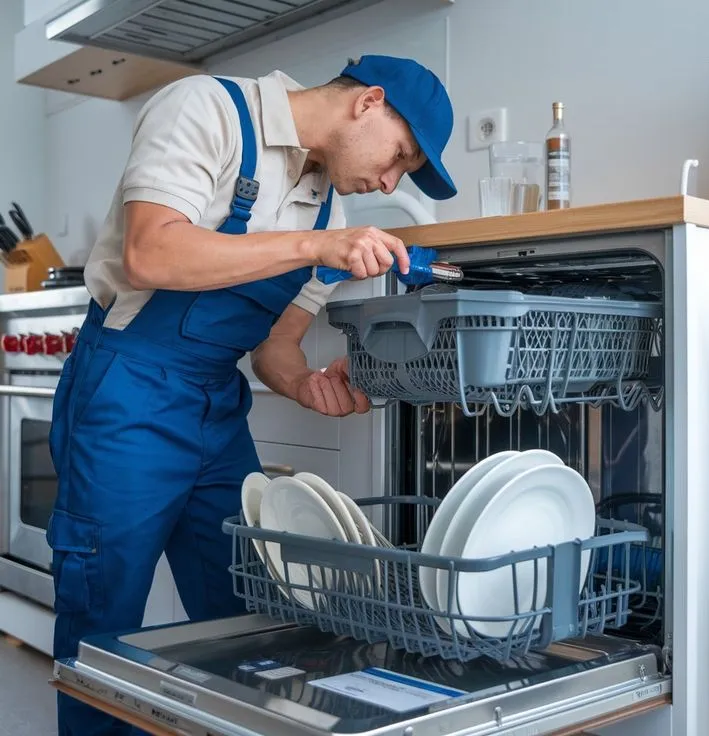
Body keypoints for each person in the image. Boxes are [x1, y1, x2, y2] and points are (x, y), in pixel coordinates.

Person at [48, 54, 456, 735]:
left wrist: (304, 382)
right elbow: (153, 252)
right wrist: (314, 244)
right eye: (400, 156)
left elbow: (274, 346)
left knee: (250, 607)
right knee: (102, 612)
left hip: (215, 407)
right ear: (368, 103)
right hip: (127, 393)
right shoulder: (207, 109)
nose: (389, 179)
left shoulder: (331, 206)